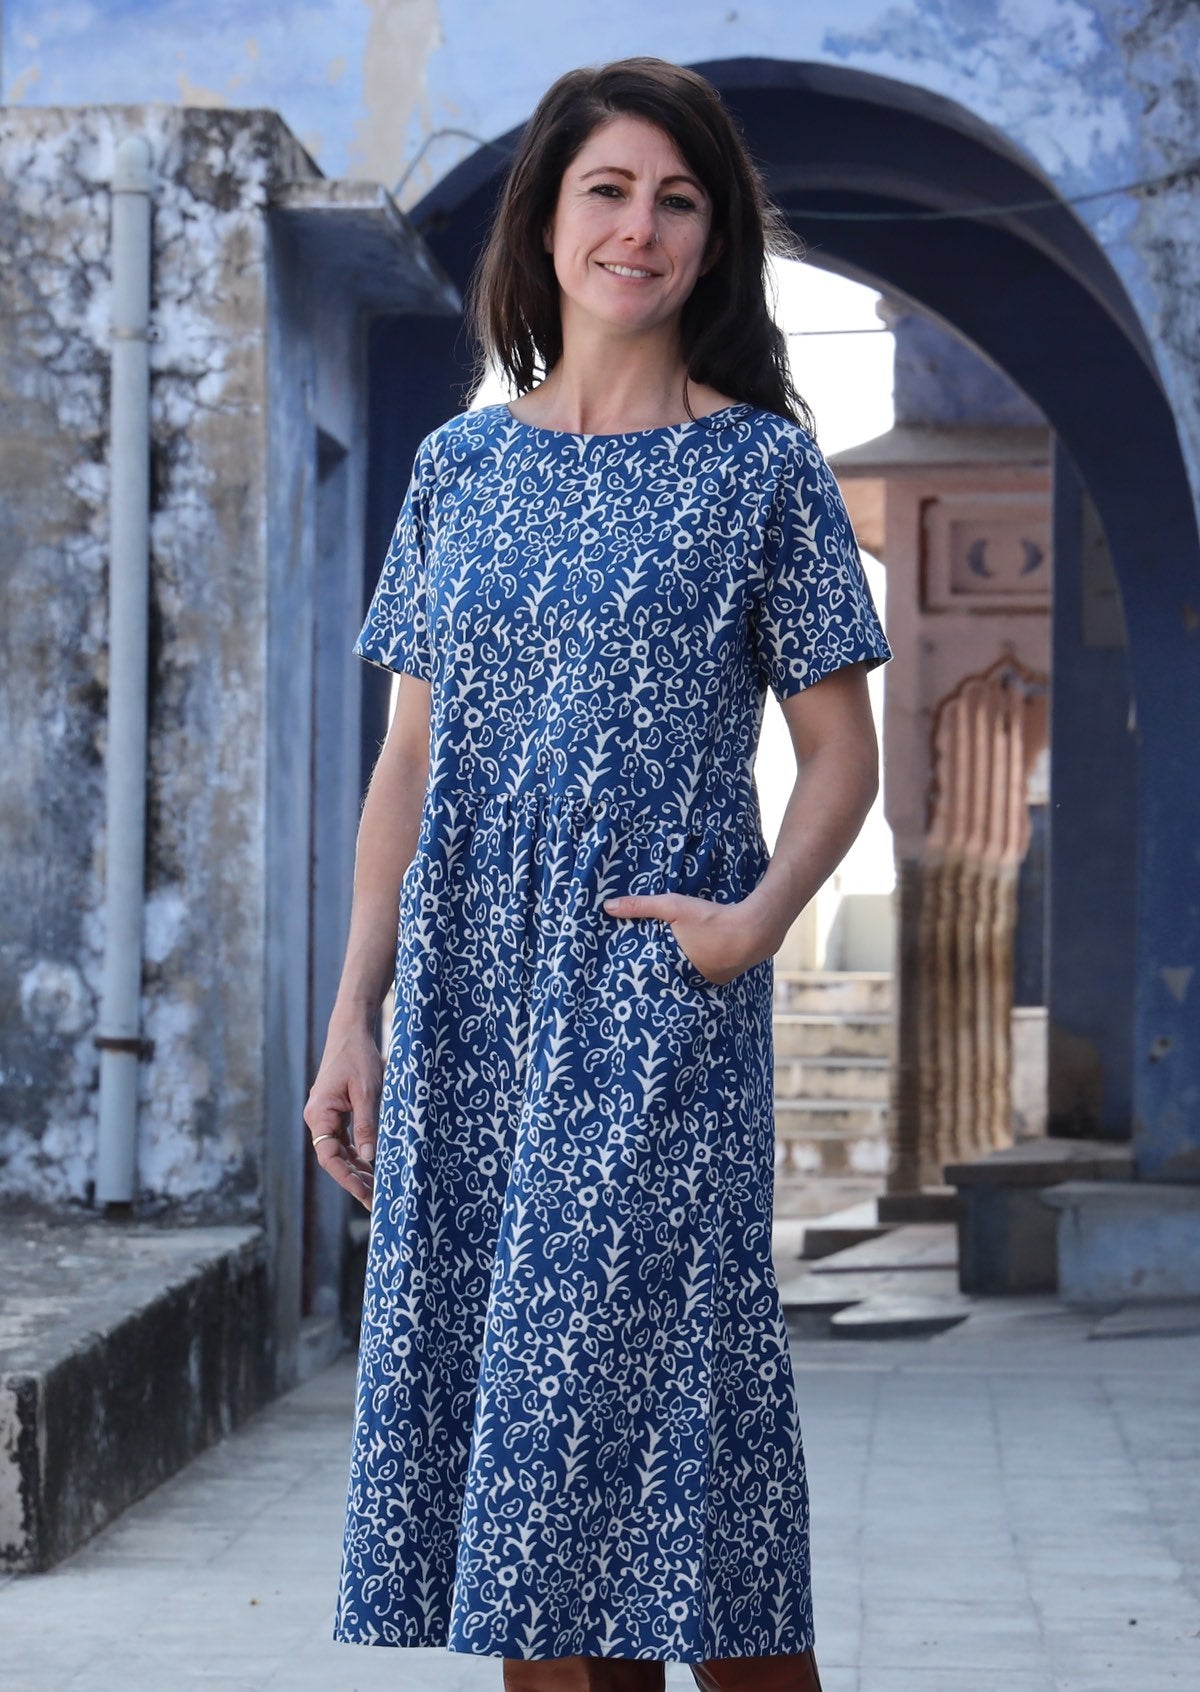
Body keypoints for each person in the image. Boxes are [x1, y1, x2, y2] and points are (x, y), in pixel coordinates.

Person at [305, 55, 891, 1692]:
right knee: (533, 1524)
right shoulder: (457, 471)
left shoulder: (760, 468)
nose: (641, 228)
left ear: (713, 241)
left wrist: (752, 932)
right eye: (609, 191)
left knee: (675, 1468)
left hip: (652, 1006)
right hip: (472, 1019)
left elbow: (845, 758)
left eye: (679, 199)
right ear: (549, 222)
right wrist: (358, 1016)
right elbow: (407, 765)